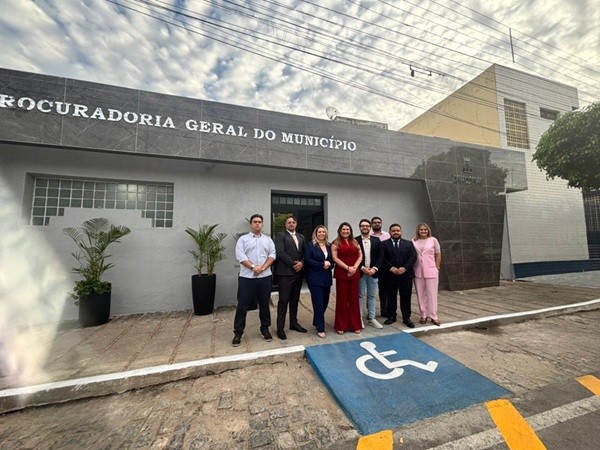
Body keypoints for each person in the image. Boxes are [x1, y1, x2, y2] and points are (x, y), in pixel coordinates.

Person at [232, 214, 276, 347]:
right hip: (247, 278)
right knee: (242, 305)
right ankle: (238, 333)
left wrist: (262, 268)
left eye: (259, 222)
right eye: (255, 222)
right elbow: (240, 256)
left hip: (265, 277)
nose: (257, 224)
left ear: (262, 224)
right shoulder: (243, 240)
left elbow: (272, 254)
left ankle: (265, 329)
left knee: (264, 304)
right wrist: (253, 267)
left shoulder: (268, 240)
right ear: (251, 224)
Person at [273, 215, 307, 340]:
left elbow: (305, 253)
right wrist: (294, 264)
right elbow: (280, 253)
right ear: (285, 225)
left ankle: (293, 323)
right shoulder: (280, 235)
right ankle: (280, 328)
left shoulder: (301, 237)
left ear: (296, 224)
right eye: (289, 222)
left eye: (293, 222)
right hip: (285, 273)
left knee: (294, 300)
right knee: (283, 301)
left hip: (298, 274)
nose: (291, 224)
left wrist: (301, 263)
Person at [381, 223, 417, 328]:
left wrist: (404, 268)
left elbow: (413, 257)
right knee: (391, 296)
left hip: (405, 275)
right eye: (393, 231)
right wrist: (391, 268)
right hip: (389, 275)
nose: (396, 232)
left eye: (398, 230)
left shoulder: (409, 244)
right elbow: (382, 258)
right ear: (390, 232)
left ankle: (406, 317)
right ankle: (391, 316)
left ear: (401, 232)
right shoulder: (383, 244)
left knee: (406, 297)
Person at [332, 222, 363, 334]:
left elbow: (360, 255)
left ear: (350, 231)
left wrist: (354, 267)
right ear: (340, 231)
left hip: (354, 273)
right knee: (342, 300)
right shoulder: (336, 243)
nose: (345, 231)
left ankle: (355, 325)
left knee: (354, 300)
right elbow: (335, 258)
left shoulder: (355, 242)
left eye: (347, 229)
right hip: (342, 274)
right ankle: (341, 325)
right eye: (343, 229)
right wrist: (347, 268)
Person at [304, 225, 334, 338]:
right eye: (319, 232)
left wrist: (330, 265)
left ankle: (317, 321)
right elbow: (308, 260)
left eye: (323, 232)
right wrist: (322, 264)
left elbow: (333, 261)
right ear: (316, 234)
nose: (321, 234)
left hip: (326, 278)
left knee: (325, 302)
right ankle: (320, 328)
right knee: (318, 303)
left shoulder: (329, 245)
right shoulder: (310, 245)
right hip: (314, 278)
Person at [413, 222, 442, 326]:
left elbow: (438, 254)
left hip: (431, 270)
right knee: (420, 294)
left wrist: (437, 267)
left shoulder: (433, 240)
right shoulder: (414, 241)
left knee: (432, 294)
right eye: (421, 229)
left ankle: (434, 316)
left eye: (425, 229)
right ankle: (423, 315)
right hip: (418, 271)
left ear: (428, 230)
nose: (423, 231)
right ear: (418, 231)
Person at [356, 219, 383, 329]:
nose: (365, 227)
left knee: (372, 296)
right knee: (360, 295)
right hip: (361, 273)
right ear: (360, 227)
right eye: (363, 226)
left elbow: (381, 256)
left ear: (370, 227)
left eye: (367, 225)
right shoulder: (355, 240)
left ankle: (372, 318)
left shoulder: (377, 240)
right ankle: (359, 318)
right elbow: (354, 257)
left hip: (373, 272)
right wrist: (362, 268)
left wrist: (374, 269)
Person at [370, 216, 391, 318]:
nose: (377, 224)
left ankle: (384, 309)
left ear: (381, 224)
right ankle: (370, 311)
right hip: (372, 267)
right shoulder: (368, 235)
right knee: (371, 290)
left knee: (384, 289)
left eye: (379, 222)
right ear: (371, 224)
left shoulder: (387, 235)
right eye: (374, 222)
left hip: (385, 266)